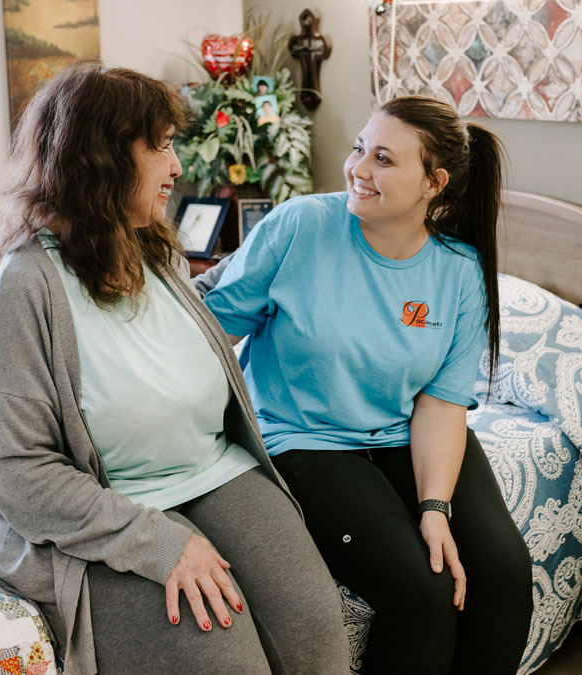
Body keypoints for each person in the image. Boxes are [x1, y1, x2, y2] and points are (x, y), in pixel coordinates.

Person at [0, 62, 349, 675]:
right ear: (104, 158)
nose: (178, 166)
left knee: (317, 630)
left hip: (211, 468)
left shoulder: (151, 247)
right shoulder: (28, 282)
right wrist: (163, 543)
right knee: (225, 659)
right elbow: (16, 466)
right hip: (112, 499)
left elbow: (196, 326)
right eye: (161, 146)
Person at [197, 96, 534, 674]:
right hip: (306, 441)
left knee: (504, 575)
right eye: (360, 148)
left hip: (409, 434)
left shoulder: (458, 270)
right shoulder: (302, 227)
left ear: (435, 182)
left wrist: (435, 507)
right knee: (423, 596)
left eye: (383, 158)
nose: (358, 168)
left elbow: (441, 401)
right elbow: (208, 332)